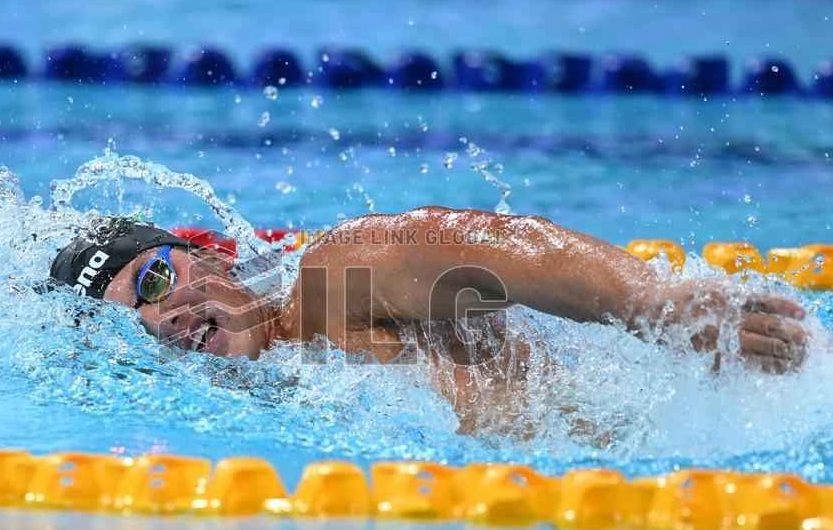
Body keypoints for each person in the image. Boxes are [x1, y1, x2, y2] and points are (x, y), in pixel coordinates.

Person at [50, 208, 808, 429]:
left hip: (718, 420)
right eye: (132, 321)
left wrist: (652, 304)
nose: (163, 318)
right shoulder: (238, 406)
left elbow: (499, 251)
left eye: (155, 278)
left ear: (208, 259)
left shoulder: (332, 285)